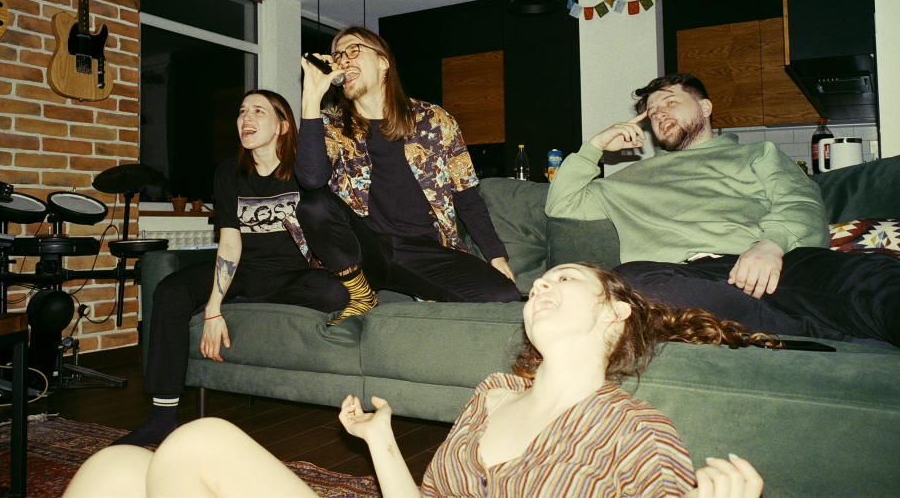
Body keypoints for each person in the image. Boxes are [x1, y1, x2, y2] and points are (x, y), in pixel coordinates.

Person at [64, 262, 765, 497]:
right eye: (540, 279)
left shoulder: (633, 432)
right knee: (115, 467)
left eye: (566, 278)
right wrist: (382, 442)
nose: (542, 282)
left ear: (615, 315)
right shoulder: (495, 392)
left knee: (198, 440)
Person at [546, 72, 899, 346]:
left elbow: (801, 201)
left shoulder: (758, 154)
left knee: (874, 280)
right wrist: (594, 146)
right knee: (629, 283)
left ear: (705, 107)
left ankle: (771, 325)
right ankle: (811, 325)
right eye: (651, 113)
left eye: (670, 102)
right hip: (688, 278)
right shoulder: (630, 179)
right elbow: (562, 203)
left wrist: (771, 244)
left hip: (775, 264)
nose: (659, 114)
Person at [113, 89, 347, 447]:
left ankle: (242, 300)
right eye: (241, 112)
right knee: (171, 290)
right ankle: (162, 417)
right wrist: (212, 308)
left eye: (258, 111)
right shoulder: (229, 173)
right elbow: (230, 241)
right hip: (243, 269)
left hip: (292, 274)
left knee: (335, 292)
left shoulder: (304, 172)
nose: (246, 119)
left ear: (283, 125)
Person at [296, 26, 520, 324]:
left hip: (423, 251)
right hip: (365, 253)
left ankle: (418, 287)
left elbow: (466, 195)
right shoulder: (331, 126)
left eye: (353, 51)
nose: (344, 60)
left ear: (383, 62)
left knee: (503, 295)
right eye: (338, 56)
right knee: (314, 204)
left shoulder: (435, 120)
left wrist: (496, 256)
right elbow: (311, 180)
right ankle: (360, 292)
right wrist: (311, 97)